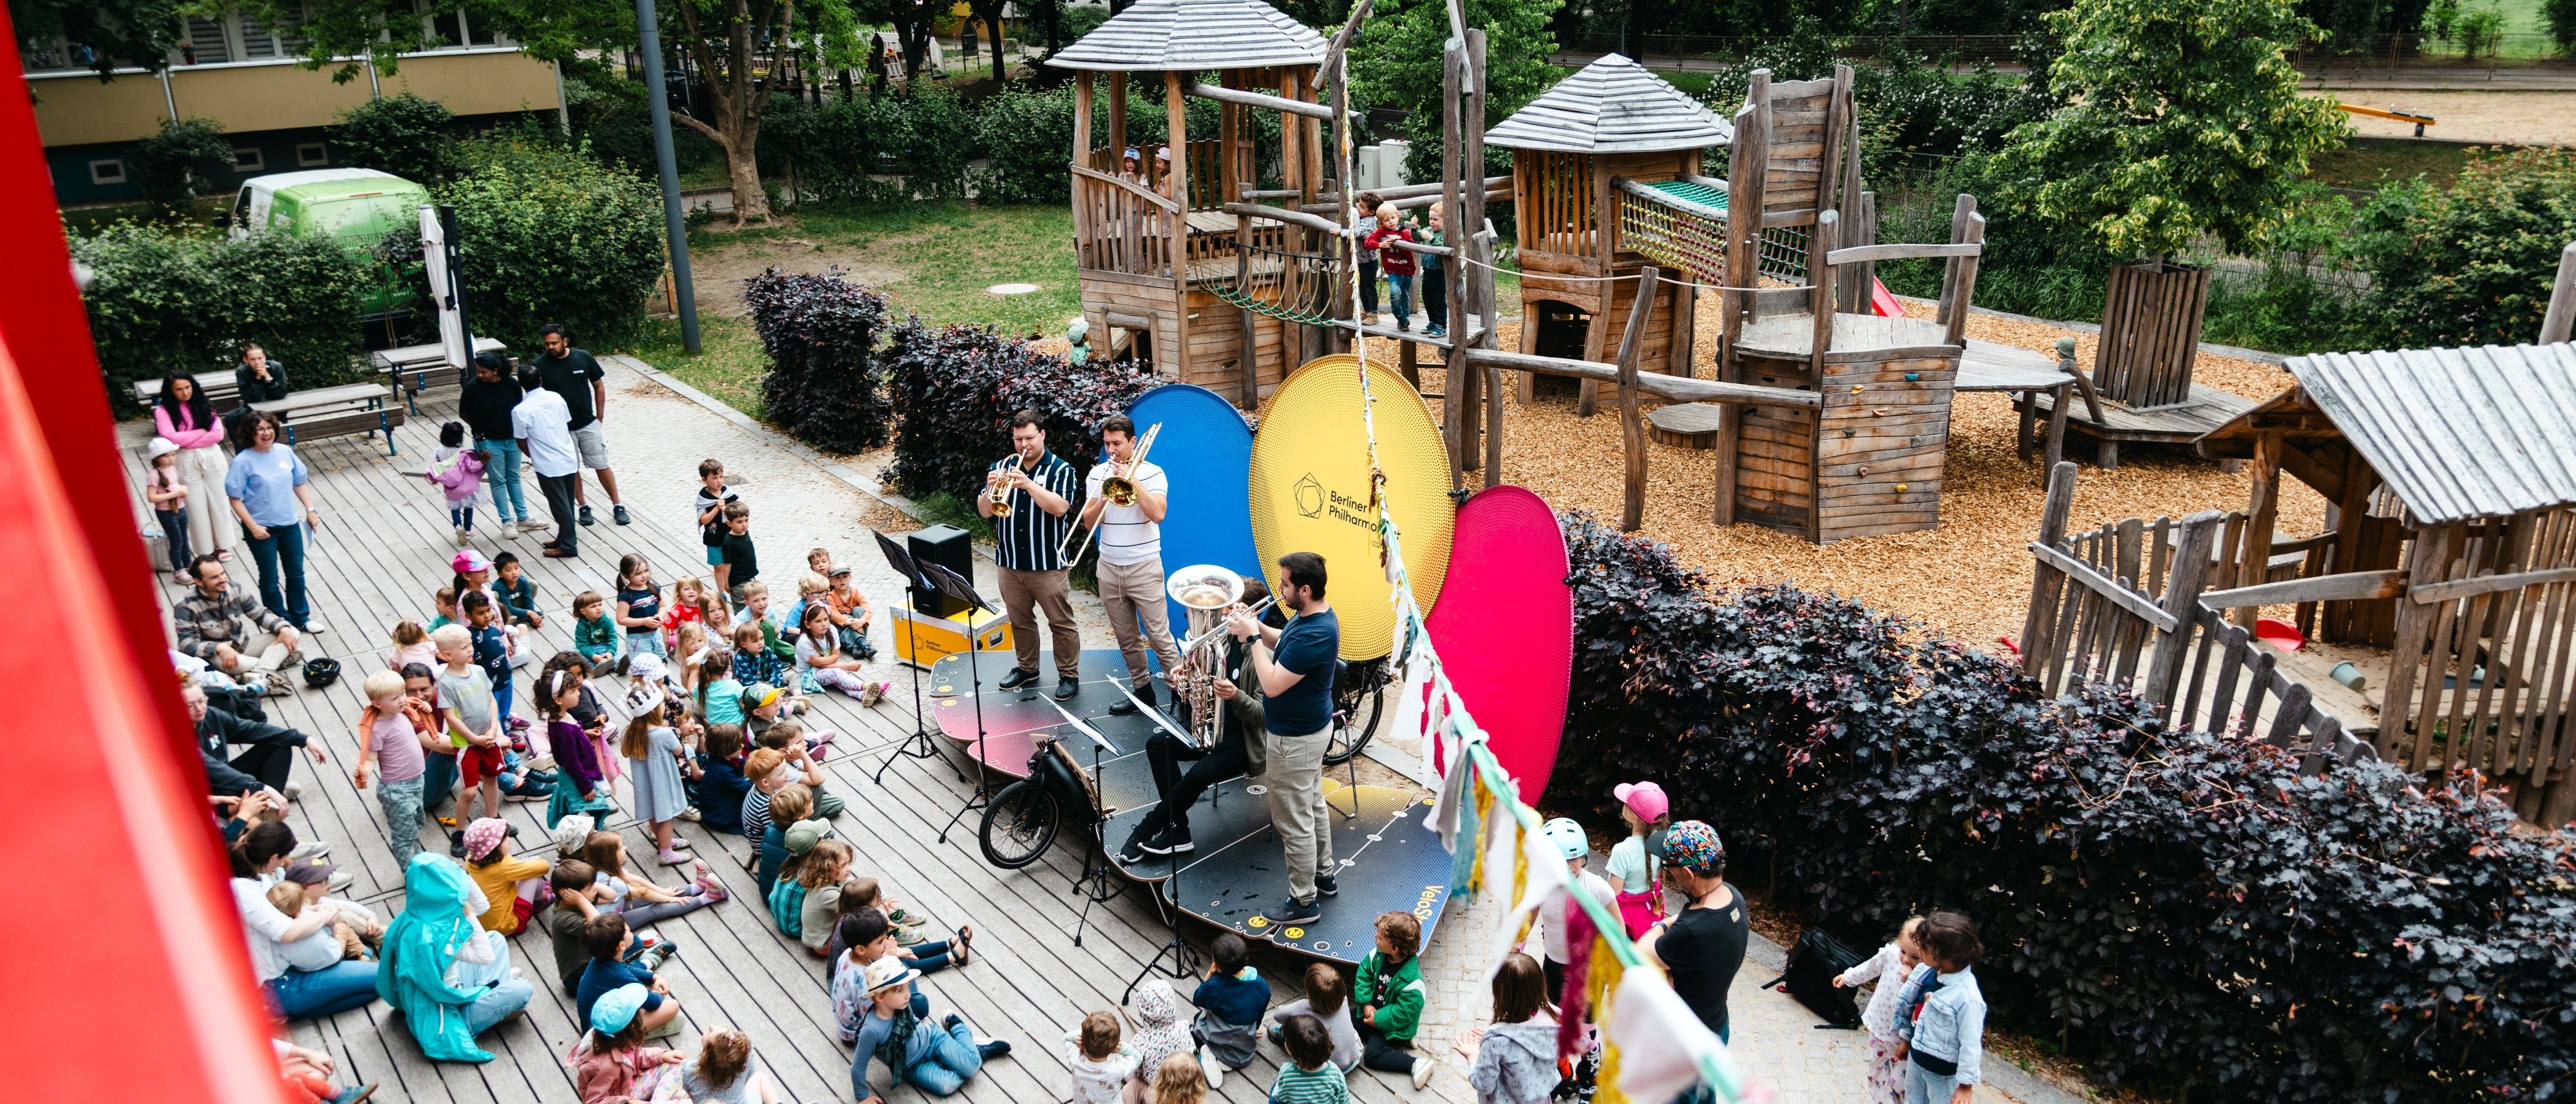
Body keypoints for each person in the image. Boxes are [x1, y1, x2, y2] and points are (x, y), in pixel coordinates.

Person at [1119, 578, 1271, 862]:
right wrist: (1185, 675)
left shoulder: (1263, 656)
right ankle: (1179, 830)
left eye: (1230, 611)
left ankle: (1147, 827)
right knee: (1157, 745)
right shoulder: (1221, 640)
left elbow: (1265, 716)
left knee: (1198, 775)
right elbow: (1200, 682)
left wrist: (1236, 695)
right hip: (1211, 727)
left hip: (1242, 742)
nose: (1224, 616)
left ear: (1250, 614)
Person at [1229, 551, 1338, 926]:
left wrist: (1250, 641)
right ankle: (1323, 875)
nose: (1279, 589)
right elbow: (1284, 643)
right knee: (1311, 803)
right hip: (1307, 732)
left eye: (1285, 584)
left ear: (1304, 590)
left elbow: (1272, 685)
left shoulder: (1316, 632)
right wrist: (1256, 626)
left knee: (1293, 821)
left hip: (1294, 739)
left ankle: (1303, 901)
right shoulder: (1312, 616)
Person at [377, 853, 535, 1061]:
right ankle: (495, 1002)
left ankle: (496, 991)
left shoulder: (416, 917)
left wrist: (462, 876)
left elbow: (484, 907)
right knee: (522, 988)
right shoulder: (432, 940)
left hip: (451, 986)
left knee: (495, 937)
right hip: (450, 1014)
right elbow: (485, 955)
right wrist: (468, 913)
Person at [1079, 414, 1182, 717]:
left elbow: (1158, 514)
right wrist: (1104, 494)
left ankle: (1180, 695)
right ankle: (1143, 692)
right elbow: (1087, 523)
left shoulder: (1153, 473)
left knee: (1160, 637)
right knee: (1126, 637)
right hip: (1109, 567)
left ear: (1133, 443)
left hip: (1144, 566)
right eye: (1107, 444)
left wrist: (1132, 480)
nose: (1112, 450)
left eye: (1118, 444)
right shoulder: (1098, 475)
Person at [978, 408, 1081, 701]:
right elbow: (985, 511)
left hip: (1047, 563)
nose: (1024, 445)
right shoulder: (1002, 466)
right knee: (1019, 621)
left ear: (1043, 435)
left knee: (1060, 623)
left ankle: (1069, 675)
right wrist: (988, 490)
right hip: (1009, 563)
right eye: (1018, 439)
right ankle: (1027, 668)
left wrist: (1027, 484)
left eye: (1029, 438)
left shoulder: (1061, 470)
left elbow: (1060, 507)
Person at [231, 822, 379, 1021]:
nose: (285, 864)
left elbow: (283, 912)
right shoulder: (242, 890)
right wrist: (326, 916)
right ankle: (279, 1011)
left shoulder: (259, 876)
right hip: (278, 982)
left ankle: (294, 1008)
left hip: (289, 961)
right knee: (380, 978)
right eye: (284, 858)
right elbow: (286, 932)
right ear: (273, 857)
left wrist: (315, 908)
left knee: (366, 960)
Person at [1637, 821, 1748, 1043]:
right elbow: (1691, 929)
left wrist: (1660, 926)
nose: (1666, 869)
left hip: (1688, 1042)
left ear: (1688, 873)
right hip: (1716, 1024)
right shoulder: (1733, 897)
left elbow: (1640, 952)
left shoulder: (1691, 930)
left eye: (1668, 865)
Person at [848, 955, 1010, 1101]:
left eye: (908, 987)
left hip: (932, 1039)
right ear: (881, 996)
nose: (908, 995)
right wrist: (863, 1097)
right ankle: (970, 1049)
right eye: (900, 991)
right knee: (946, 1086)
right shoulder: (871, 1030)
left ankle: (955, 1026)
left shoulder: (901, 1005)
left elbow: (916, 1024)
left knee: (972, 1066)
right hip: (912, 1066)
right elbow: (858, 1066)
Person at [225, 410, 322, 630]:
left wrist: (310, 510)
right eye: (260, 429)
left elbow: (299, 482)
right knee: (269, 577)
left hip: (289, 524)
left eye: (269, 428)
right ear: (251, 433)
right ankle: (280, 623)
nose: (266, 433)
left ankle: (302, 618)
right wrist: (253, 526)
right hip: (261, 529)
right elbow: (235, 498)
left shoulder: (285, 452)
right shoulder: (243, 462)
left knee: (296, 573)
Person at [531, 323, 629, 526]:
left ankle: (617, 505)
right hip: (561, 430)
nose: (551, 347)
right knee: (571, 469)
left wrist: (599, 417)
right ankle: (583, 506)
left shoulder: (582, 357)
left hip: (587, 424)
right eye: (547, 344)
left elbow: (598, 386)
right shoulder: (539, 366)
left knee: (601, 465)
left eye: (555, 343)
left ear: (565, 341)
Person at [1892, 913, 1985, 1104]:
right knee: (1913, 1100)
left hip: (1941, 1074)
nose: (1919, 949)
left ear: (1943, 955)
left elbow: (1971, 1045)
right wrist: (1906, 1041)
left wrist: (1965, 1087)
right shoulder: (1926, 972)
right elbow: (1916, 1013)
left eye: (1924, 947)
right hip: (1917, 1060)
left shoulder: (1968, 998)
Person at [153, 371, 242, 564]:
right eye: (179, 389)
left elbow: (218, 434)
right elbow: (170, 438)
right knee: (195, 504)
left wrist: (187, 440)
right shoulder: (163, 411)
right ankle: (205, 549)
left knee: (219, 500)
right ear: (170, 391)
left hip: (212, 456)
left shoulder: (204, 403)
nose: (185, 392)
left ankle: (223, 544)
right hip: (184, 460)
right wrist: (201, 432)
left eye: (188, 387)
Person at [1838, 917, 1929, 1104]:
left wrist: (1911, 980)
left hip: (1902, 1039)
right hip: (1879, 1026)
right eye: (1904, 951)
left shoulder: (1926, 974)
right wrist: (1847, 977)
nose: (1906, 959)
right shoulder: (1890, 954)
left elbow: (1921, 1007)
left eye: (1915, 957)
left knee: (1901, 1083)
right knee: (1875, 1074)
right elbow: (1868, 969)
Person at [175, 554, 303, 684]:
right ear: (198, 582)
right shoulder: (185, 607)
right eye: (215, 577)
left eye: (222, 573)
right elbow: (187, 645)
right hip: (218, 657)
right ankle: (274, 663)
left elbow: (260, 614)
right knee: (241, 662)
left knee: (291, 632)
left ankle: (258, 673)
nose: (223, 579)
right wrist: (219, 647)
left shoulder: (235, 589)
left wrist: (283, 628)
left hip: (244, 647)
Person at [189, 680, 327, 799]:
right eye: (190, 705)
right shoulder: (177, 740)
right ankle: (266, 802)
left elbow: (253, 729)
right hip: (207, 794)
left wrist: (304, 739)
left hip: (227, 780)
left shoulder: (211, 715)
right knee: (230, 790)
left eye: (202, 700)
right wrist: (259, 787)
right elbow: (215, 770)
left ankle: (270, 805)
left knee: (279, 745)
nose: (199, 708)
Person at [352, 669, 433, 868]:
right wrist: (364, 771)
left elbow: (416, 714)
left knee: (416, 822)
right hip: (397, 789)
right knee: (403, 836)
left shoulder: (403, 712)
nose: (402, 700)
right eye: (395, 698)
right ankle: (411, 872)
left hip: (416, 780)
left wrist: (425, 708)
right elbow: (371, 758)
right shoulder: (378, 728)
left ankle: (419, 860)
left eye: (403, 694)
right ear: (377, 704)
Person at [1538, 816, 1616, 1000]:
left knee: (1586, 1023)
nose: (1567, 866)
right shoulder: (1542, 886)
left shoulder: (1598, 888)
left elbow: (1618, 928)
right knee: (1552, 1016)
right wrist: (1516, 946)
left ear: (1584, 857)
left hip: (1589, 968)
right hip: (1553, 963)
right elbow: (1527, 918)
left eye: (1573, 858)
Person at [569, 983, 687, 1103]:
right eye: (639, 1012)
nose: (642, 1012)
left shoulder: (616, 1039)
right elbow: (594, 1101)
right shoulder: (604, 1067)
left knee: (676, 1064)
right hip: (621, 1099)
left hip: (628, 1086)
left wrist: (660, 1056)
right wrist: (629, 1102)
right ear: (632, 1025)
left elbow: (633, 1057)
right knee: (682, 1098)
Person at [1353, 911, 1432, 1089]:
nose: (1375, 938)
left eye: (1380, 937)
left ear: (1394, 948)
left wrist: (1378, 1020)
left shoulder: (1413, 982)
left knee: (1372, 1056)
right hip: (1371, 1013)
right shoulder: (1378, 955)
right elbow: (1364, 973)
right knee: (1342, 1018)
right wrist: (1366, 1004)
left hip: (1392, 1028)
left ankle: (1414, 1064)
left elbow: (1403, 1013)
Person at [1467, 953, 1559, 1104]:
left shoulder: (1496, 1043)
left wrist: (1473, 1057)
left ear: (1501, 995)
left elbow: (1483, 1085)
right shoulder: (1552, 1020)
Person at [512, 366, 583, 558]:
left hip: (548, 464)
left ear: (521, 385)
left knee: (559, 506)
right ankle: (563, 537)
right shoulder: (557, 398)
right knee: (567, 502)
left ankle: (569, 545)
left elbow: (521, 439)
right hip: (568, 456)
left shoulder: (520, 411)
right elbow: (566, 421)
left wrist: (533, 455)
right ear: (541, 380)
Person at [576, 913, 685, 1036]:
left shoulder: (597, 961)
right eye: (628, 930)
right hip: (605, 1037)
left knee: (648, 975)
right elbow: (653, 1003)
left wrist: (654, 977)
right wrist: (656, 993)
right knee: (672, 1006)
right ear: (622, 945)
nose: (630, 930)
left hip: (594, 1026)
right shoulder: (619, 975)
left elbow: (626, 968)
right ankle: (636, 1036)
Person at [459, 352, 531, 537]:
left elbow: (518, 409)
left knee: (514, 477)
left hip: (512, 438)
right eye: (478, 371)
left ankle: (523, 518)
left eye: (484, 372)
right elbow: (464, 413)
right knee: (498, 480)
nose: (480, 375)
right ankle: (507, 522)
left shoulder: (511, 384)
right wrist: (479, 428)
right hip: (488, 441)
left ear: (496, 371)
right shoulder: (472, 387)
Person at [543, 665, 616, 830]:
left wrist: (584, 734)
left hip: (583, 771)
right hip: (577, 778)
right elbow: (572, 763)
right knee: (583, 814)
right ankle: (589, 836)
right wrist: (586, 787)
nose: (579, 693)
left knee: (592, 807)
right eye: (573, 691)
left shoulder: (563, 717)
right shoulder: (563, 731)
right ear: (559, 700)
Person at [1189, 931, 1266, 1087]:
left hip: (1217, 1035)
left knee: (1197, 1020)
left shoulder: (1215, 985)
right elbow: (1260, 1012)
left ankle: (1206, 1053)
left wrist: (1211, 973)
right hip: (1244, 1049)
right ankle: (1226, 1062)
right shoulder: (1261, 985)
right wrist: (1253, 1029)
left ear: (1214, 961)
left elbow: (1198, 998)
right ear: (1246, 959)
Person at [461, 817, 551, 935]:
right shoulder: (504, 866)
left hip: (480, 925)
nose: (510, 840)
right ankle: (542, 899)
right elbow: (544, 866)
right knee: (533, 876)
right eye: (505, 839)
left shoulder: (469, 861)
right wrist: (532, 860)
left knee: (519, 872)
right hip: (507, 925)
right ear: (495, 848)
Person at [1605, 780, 1671, 938]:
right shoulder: (1661, 844)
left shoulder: (1622, 851)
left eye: (1627, 803)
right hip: (1648, 917)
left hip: (1625, 925)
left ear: (1634, 816)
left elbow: (1612, 896)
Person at [1265, 963, 1359, 1072]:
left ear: (1309, 992)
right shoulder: (1344, 1000)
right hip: (1351, 1062)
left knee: (1296, 1026)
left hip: (1324, 1069)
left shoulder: (1304, 1006)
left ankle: (1281, 1035)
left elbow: (1278, 1016)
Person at [1121, 979, 1193, 1104]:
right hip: (1182, 1084)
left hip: (1157, 1093)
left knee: (1125, 1068)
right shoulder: (1183, 1028)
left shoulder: (1141, 1042)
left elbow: (1136, 1069)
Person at [682, 1029, 793, 1104]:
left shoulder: (688, 1070)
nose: (712, 1026)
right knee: (759, 1077)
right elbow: (749, 1078)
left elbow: (689, 1094)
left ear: (706, 1056)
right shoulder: (745, 1060)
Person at [424, 422, 487, 545]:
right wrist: (483, 462)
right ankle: (468, 530)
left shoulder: (439, 452)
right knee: (469, 507)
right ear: (460, 437)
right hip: (466, 487)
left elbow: (435, 466)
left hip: (451, 487)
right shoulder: (463, 453)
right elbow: (472, 467)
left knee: (455, 508)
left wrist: (434, 479)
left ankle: (458, 526)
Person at [1269, 1014, 1349, 1104]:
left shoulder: (1287, 1073)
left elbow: (1280, 1097)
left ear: (1289, 1050)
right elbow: (1344, 1101)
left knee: (1275, 1089)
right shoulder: (1335, 1072)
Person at [1063, 1009, 1138, 1104]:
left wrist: (1081, 1037)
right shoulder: (1118, 1066)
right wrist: (1120, 1047)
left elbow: (1066, 1038)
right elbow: (1137, 1057)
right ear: (1114, 1048)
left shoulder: (1075, 1057)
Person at [1364, 204, 1417, 331]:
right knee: (1395, 293)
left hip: (1407, 271)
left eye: (1393, 218)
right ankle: (1398, 314)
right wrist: (1380, 244)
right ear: (1382, 223)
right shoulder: (1382, 231)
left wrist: (1399, 240)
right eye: (1387, 220)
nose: (1391, 222)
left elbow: (1411, 246)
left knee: (1405, 296)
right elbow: (1368, 242)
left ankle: (1403, 322)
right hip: (1394, 271)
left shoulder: (1404, 232)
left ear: (1398, 217)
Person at [144, 437, 193, 575]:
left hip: (180, 507)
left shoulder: (172, 469)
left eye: (173, 455)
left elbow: (175, 486)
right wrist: (175, 494)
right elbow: (152, 497)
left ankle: (188, 564)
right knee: (176, 540)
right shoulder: (154, 475)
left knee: (184, 537)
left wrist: (183, 491)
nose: (171, 458)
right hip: (166, 512)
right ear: (157, 458)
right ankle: (179, 569)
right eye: (166, 456)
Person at [615, 554, 667, 660]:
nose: (644, 576)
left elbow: (663, 607)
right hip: (638, 639)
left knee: (662, 661)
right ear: (626, 576)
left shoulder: (654, 589)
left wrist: (660, 616)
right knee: (645, 665)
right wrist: (644, 621)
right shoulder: (627, 596)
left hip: (655, 635)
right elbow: (621, 619)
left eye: (646, 571)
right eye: (638, 573)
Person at [696, 457, 741, 575]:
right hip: (714, 538)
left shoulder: (728, 493)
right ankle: (722, 592)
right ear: (704, 480)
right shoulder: (704, 498)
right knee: (719, 567)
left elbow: (739, 512)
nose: (720, 481)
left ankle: (732, 586)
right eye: (715, 478)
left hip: (730, 536)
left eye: (721, 477)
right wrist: (716, 508)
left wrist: (730, 511)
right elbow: (704, 520)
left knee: (733, 563)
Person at [715, 502, 761, 606]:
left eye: (746, 520)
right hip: (738, 582)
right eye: (739, 522)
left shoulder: (746, 532)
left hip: (750, 578)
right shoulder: (729, 542)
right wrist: (726, 582)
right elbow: (727, 564)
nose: (744, 525)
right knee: (743, 609)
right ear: (730, 524)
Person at [1351, 191, 1384, 323]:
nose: (1359, 208)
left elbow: (1357, 232)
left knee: (1370, 288)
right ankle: (1366, 310)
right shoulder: (1363, 218)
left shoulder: (1370, 222)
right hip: (1361, 261)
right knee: (1362, 288)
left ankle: (1374, 314)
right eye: (1359, 205)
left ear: (1371, 212)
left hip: (1369, 262)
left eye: (1362, 207)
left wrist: (1343, 231)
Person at [572, 591, 621, 676]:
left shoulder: (607, 621)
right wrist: (593, 656)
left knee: (617, 655)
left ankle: (617, 666)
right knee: (575, 655)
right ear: (583, 611)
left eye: (600, 605)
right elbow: (582, 644)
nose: (598, 608)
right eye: (593, 606)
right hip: (589, 648)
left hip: (604, 646)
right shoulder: (582, 626)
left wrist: (610, 652)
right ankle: (597, 667)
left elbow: (613, 638)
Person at [1419, 200, 1450, 339]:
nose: (1432, 222)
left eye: (1435, 219)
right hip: (1427, 272)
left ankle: (1441, 325)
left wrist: (1431, 238)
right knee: (1427, 298)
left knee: (1439, 300)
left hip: (1440, 274)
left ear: (1445, 220)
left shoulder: (1446, 234)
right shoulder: (1428, 230)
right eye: (1430, 219)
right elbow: (1415, 237)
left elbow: (1442, 248)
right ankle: (1432, 321)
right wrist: (1414, 228)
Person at [492, 551, 542, 629]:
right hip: (506, 610)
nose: (515, 573)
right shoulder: (499, 586)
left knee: (533, 583)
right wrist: (529, 613)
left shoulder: (522, 580)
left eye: (516, 568)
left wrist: (532, 616)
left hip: (519, 604)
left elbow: (528, 599)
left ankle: (525, 616)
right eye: (509, 570)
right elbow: (508, 608)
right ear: (500, 574)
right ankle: (504, 621)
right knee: (495, 595)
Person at [235, 343, 290, 409]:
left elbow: (281, 395)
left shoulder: (276, 367)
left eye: (260, 358)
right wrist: (258, 379)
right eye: (253, 359)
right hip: (253, 409)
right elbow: (250, 399)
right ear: (246, 360)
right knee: (232, 416)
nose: (257, 362)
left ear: (264, 357)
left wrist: (268, 377)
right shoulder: (242, 372)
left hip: (277, 405)